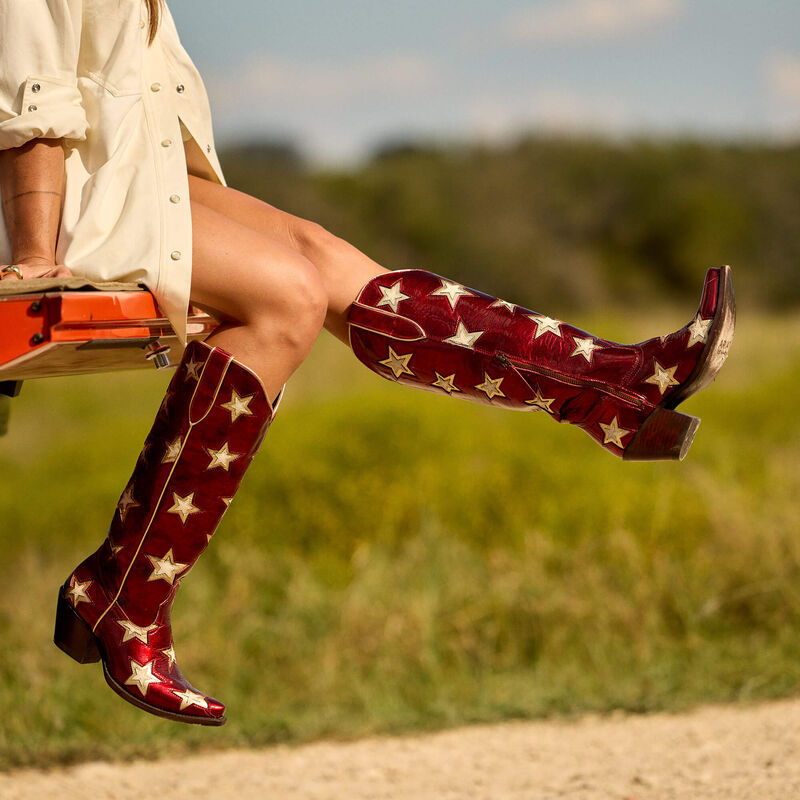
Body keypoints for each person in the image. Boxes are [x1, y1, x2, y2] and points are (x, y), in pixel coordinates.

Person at [0, 0, 735, 726]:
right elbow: (27, 83)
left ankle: (611, 384)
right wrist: (35, 253)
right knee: (289, 298)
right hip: (67, 205)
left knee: (327, 256)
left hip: (126, 177)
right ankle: (125, 596)